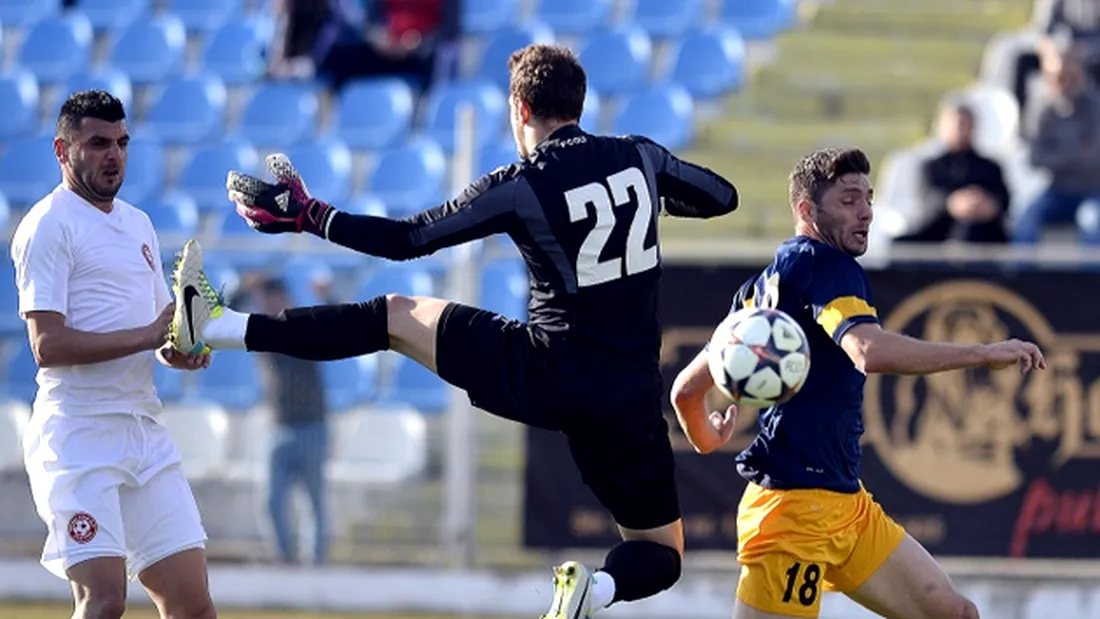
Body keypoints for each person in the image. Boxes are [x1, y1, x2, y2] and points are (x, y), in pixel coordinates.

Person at [172, 44, 738, 618]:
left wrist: (310, 216)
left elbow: (408, 239)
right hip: (628, 398)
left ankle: (218, 325)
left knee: (393, 315)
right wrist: (650, 197)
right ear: (580, 100)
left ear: (519, 107)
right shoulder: (638, 155)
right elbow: (722, 196)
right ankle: (596, 591)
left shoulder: (522, 183)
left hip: (545, 370)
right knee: (660, 553)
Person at [669, 147, 1046, 619]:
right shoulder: (829, 265)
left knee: (954, 613)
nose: (866, 210)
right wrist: (982, 353)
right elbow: (867, 352)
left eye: (868, 198)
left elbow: (686, 391)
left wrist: (710, 437)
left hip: (846, 506)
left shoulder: (760, 287)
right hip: (791, 515)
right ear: (807, 210)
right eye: (849, 200)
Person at [10, 90, 217, 619]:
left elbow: (161, 330)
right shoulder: (47, 224)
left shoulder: (137, 223)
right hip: (78, 437)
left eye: (122, 142)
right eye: (98, 143)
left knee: (193, 608)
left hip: (142, 431)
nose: (114, 155)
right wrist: (150, 336)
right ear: (63, 150)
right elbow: (46, 346)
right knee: (103, 602)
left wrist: (181, 348)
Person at [894, 102, 1011, 244]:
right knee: (899, 244)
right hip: (940, 229)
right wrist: (952, 203)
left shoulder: (990, 167)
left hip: (982, 232)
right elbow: (928, 198)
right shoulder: (932, 167)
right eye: (956, 124)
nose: (960, 130)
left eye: (964, 125)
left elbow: (1003, 200)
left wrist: (986, 205)